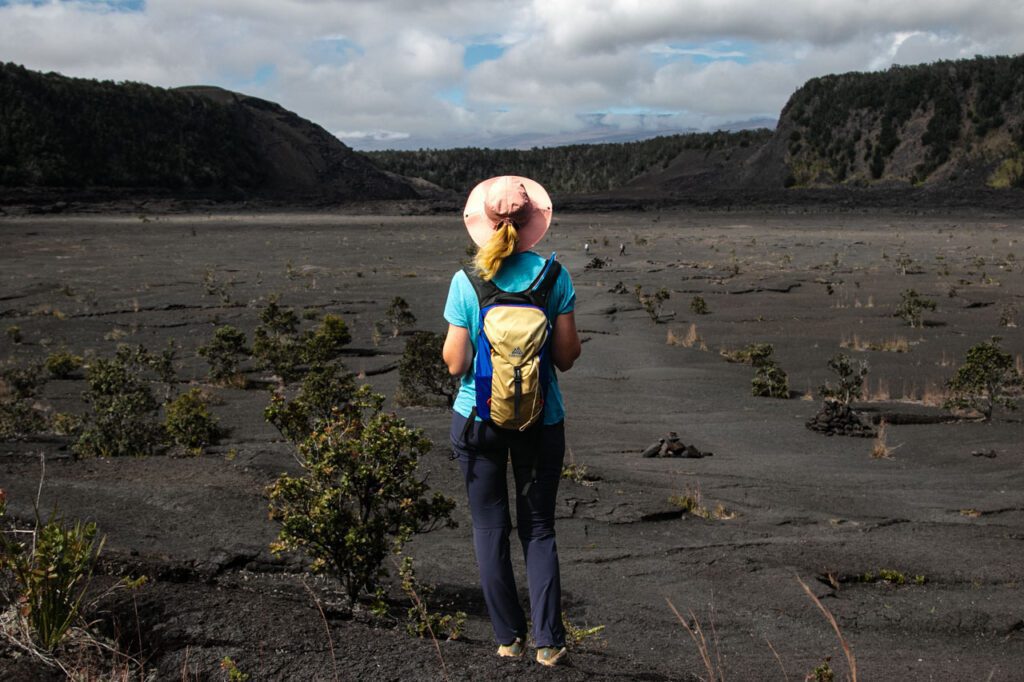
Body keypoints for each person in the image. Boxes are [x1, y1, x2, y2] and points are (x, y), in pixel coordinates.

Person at [442, 175, 581, 667]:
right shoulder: (553, 278)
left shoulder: (468, 280)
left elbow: (456, 364)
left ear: (485, 223)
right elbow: (565, 357)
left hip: (477, 418)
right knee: (539, 529)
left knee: (488, 528)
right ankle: (549, 643)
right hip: (541, 421)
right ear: (530, 225)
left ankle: (508, 638)